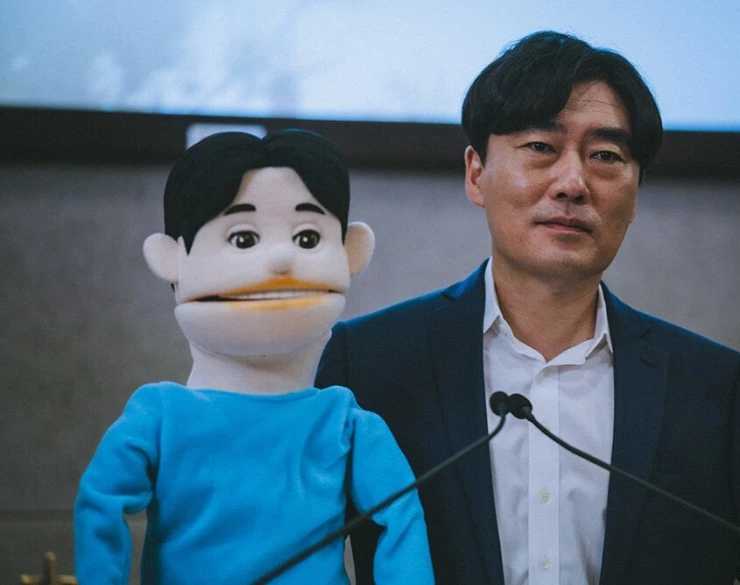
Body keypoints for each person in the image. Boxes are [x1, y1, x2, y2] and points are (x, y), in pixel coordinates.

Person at [317, 31, 740, 585]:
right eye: (541, 147)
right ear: (476, 173)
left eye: (605, 156)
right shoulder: (368, 363)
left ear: (635, 191)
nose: (572, 183)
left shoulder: (716, 387)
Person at [74, 129, 434, 584]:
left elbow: (400, 517)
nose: (281, 258)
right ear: (170, 259)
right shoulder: (160, 416)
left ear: (352, 252)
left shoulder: (343, 421)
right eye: (243, 239)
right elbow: (101, 503)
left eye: (307, 237)